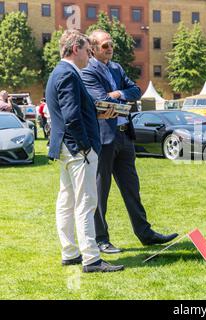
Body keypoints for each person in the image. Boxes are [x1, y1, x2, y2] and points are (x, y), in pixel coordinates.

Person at [81, 29, 178, 254]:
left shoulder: (117, 68)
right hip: (104, 140)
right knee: (100, 191)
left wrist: (118, 94)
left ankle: (145, 234)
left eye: (111, 44)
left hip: (124, 136)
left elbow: (136, 90)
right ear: (93, 49)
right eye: (105, 45)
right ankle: (101, 239)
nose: (110, 48)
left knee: (132, 189)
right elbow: (100, 100)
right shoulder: (88, 71)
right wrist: (116, 95)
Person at [45, 29, 123, 273]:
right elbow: (71, 117)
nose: (90, 56)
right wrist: (86, 147)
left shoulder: (59, 72)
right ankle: (92, 258)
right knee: (86, 203)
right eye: (88, 51)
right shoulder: (68, 74)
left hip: (66, 149)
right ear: (75, 49)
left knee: (67, 201)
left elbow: (74, 110)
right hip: (78, 150)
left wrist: (98, 113)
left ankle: (70, 253)